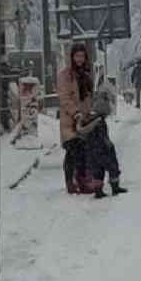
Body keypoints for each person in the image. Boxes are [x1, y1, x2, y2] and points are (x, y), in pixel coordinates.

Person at [76, 90, 127, 199]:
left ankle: (98, 191)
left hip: (92, 151)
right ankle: (115, 187)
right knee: (113, 167)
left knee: (97, 171)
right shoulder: (99, 121)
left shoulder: (90, 119)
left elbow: (84, 134)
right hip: (103, 150)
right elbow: (102, 138)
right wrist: (109, 145)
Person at [57, 42, 94, 193]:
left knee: (84, 150)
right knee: (73, 150)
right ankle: (72, 182)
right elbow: (64, 97)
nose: (80, 59)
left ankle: (82, 179)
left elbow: (88, 97)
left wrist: (89, 113)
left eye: (82, 56)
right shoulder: (65, 75)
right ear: (71, 57)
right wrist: (76, 112)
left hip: (83, 120)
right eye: (77, 56)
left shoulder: (86, 74)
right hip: (69, 120)